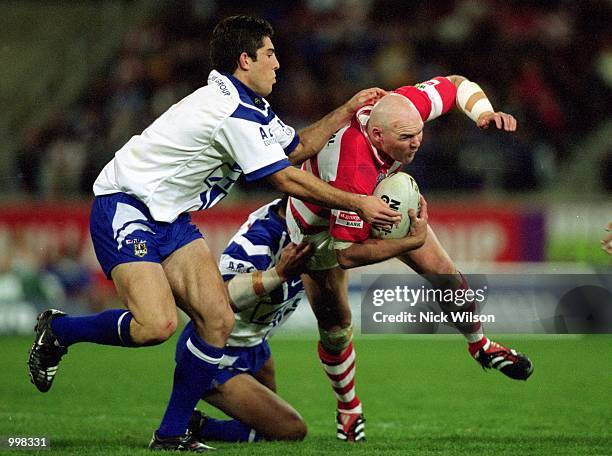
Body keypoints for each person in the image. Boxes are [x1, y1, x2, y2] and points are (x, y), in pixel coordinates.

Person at [27, 15, 400, 452]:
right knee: (156, 325)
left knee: (218, 320)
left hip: (171, 218)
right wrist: (358, 202)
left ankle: (170, 435)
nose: (278, 64)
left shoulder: (250, 106)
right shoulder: (230, 112)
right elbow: (286, 178)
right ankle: (61, 331)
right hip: (126, 205)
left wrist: (346, 110)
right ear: (245, 60)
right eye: (269, 54)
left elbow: (295, 149)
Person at [286, 74, 534, 441]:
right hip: (319, 229)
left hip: (376, 199)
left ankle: (480, 345)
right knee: (336, 327)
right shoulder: (353, 167)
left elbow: (455, 84)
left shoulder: (402, 109)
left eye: (419, 133)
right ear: (377, 136)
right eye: (406, 138)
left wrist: (483, 111)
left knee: (446, 275)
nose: (417, 142)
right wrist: (408, 242)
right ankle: (349, 407)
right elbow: (347, 254)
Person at [178, 197, 312, 444]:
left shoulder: (310, 234)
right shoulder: (256, 240)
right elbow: (219, 300)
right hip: (217, 354)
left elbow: (353, 255)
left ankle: (194, 423)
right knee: (290, 430)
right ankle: (196, 426)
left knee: (267, 427)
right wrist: (277, 274)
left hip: (255, 345)